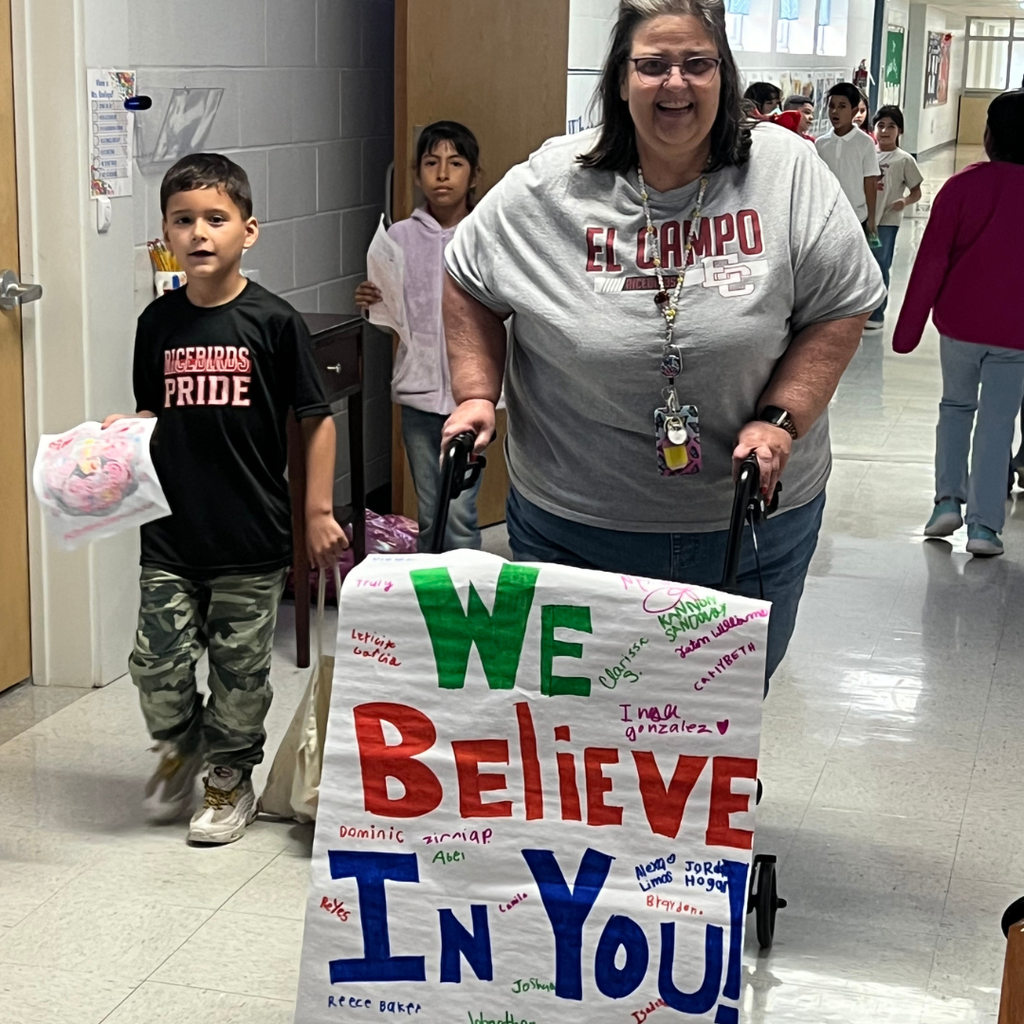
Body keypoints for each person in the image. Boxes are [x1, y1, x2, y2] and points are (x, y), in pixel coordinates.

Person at [441, 0, 884, 683]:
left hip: (750, 518)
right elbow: (467, 277)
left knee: (718, 729)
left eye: (697, 64)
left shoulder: (786, 173)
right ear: (621, 79)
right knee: (581, 732)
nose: (675, 85)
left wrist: (781, 418)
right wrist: (476, 395)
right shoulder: (552, 183)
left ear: (724, 75)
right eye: (651, 66)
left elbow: (840, 305)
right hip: (576, 526)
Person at [103, 154, 348, 843]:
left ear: (250, 231)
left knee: (240, 672)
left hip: (250, 535)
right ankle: (184, 746)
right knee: (156, 664)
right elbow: (153, 411)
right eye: (184, 221)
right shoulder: (157, 323)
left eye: (216, 218)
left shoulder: (273, 323)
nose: (199, 233)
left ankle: (228, 775)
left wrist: (318, 511)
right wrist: (118, 444)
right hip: (171, 534)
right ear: (165, 234)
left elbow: (316, 417)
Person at [893, 90, 1024, 557]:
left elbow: (931, 262)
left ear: (988, 136)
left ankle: (947, 500)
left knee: (955, 408)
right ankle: (985, 527)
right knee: (997, 424)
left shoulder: (961, 188)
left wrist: (907, 329)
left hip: (961, 326)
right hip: (1017, 335)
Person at [356, 122, 483, 552]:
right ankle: (433, 605)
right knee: (431, 513)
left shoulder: (485, 236)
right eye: (431, 163)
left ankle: (470, 600)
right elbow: (387, 311)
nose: (442, 174)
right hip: (417, 396)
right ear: (417, 173)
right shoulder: (399, 237)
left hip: (471, 399)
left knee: (461, 514)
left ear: (473, 174)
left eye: (455, 163)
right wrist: (370, 299)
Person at [865, 105, 922, 331]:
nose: (885, 131)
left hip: (887, 221)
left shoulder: (904, 159)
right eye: (881, 125)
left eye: (891, 126)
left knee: (880, 265)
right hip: (864, 216)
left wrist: (904, 202)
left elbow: (916, 191)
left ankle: (877, 314)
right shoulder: (867, 154)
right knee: (862, 266)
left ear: (900, 131)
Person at [815, 82, 881, 247]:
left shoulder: (865, 143)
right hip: (827, 218)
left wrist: (872, 220)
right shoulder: (820, 144)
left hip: (856, 217)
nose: (835, 111)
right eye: (832, 106)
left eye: (842, 106)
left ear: (853, 111)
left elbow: (870, 183)